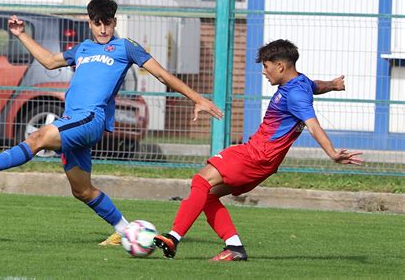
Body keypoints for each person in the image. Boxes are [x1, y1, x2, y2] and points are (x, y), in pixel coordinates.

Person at [0, 0, 223, 246]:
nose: (103, 28)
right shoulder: (83, 49)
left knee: (37, 137)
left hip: (90, 119)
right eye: (97, 23)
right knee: (83, 191)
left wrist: (196, 98)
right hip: (72, 120)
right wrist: (21, 35)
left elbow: (163, 76)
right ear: (90, 22)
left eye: (107, 23)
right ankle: (124, 231)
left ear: (115, 22)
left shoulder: (125, 47)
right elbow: (50, 61)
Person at [153, 39, 363, 261]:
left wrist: (332, 153)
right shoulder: (301, 83)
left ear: (280, 66)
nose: (264, 72)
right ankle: (234, 248)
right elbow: (316, 86)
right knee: (207, 197)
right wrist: (333, 84)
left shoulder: (296, 94)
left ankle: (173, 238)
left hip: (255, 155)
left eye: (266, 66)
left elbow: (312, 125)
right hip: (263, 162)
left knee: (201, 181)